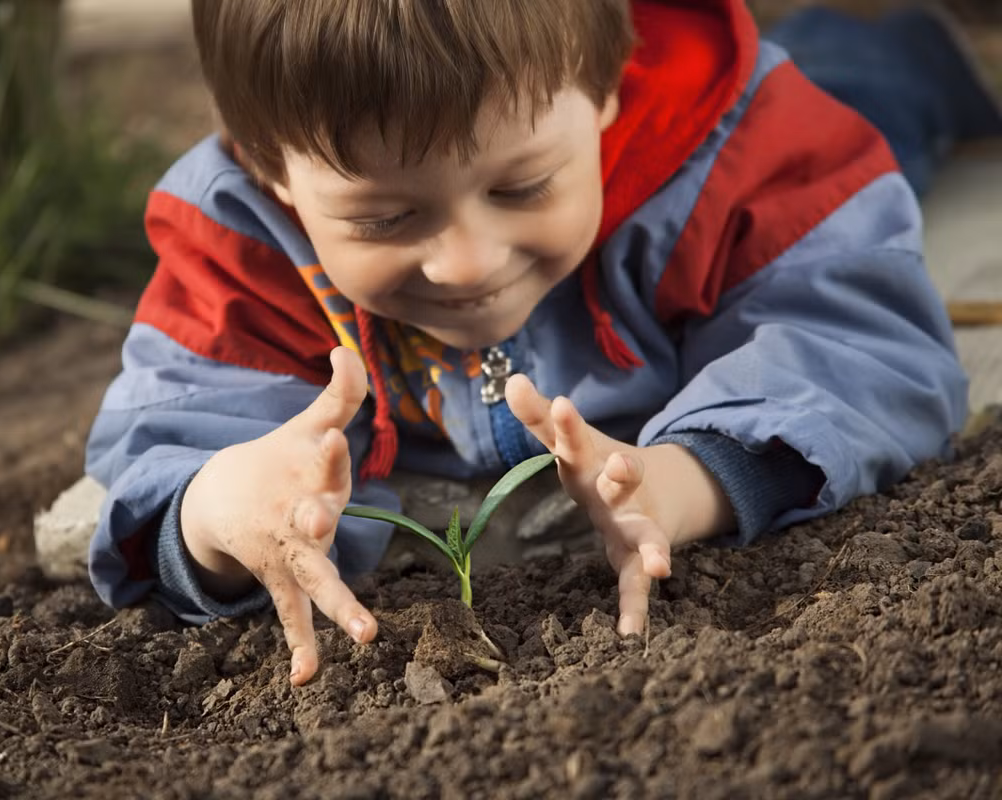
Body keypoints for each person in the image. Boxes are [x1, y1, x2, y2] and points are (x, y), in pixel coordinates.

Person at [85, 0, 994, 686]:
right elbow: (179, 423)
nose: (467, 263)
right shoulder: (242, 252)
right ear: (269, 165)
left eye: (520, 188)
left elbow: (853, 333)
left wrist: (690, 480)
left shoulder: (732, 156)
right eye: (386, 217)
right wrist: (216, 508)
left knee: (868, 100)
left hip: (790, 119)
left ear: (603, 90)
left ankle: (899, 48)